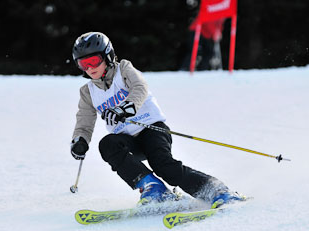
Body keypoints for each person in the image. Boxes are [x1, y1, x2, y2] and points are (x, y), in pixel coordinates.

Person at [70, 32, 241, 208]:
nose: (90, 68)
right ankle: (153, 187)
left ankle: (217, 191)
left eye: (94, 61)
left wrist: (126, 108)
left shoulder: (124, 69)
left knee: (164, 167)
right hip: (127, 140)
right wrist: (80, 140)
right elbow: (84, 119)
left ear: (108, 56)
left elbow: (140, 88)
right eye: (83, 64)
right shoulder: (88, 92)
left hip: (152, 129)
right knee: (107, 144)